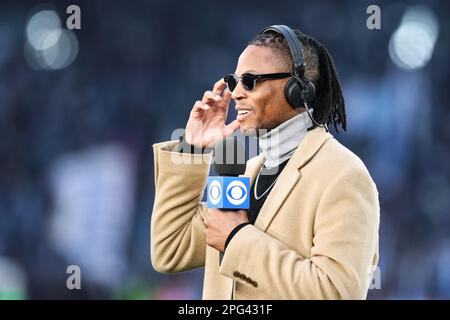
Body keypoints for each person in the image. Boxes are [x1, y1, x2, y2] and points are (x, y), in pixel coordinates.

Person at [151, 25, 380, 299]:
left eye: (249, 81)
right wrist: (192, 148)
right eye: (234, 82)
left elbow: (336, 292)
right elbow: (170, 250)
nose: (235, 94)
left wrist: (237, 238)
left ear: (297, 89)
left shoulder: (343, 175)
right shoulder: (246, 173)